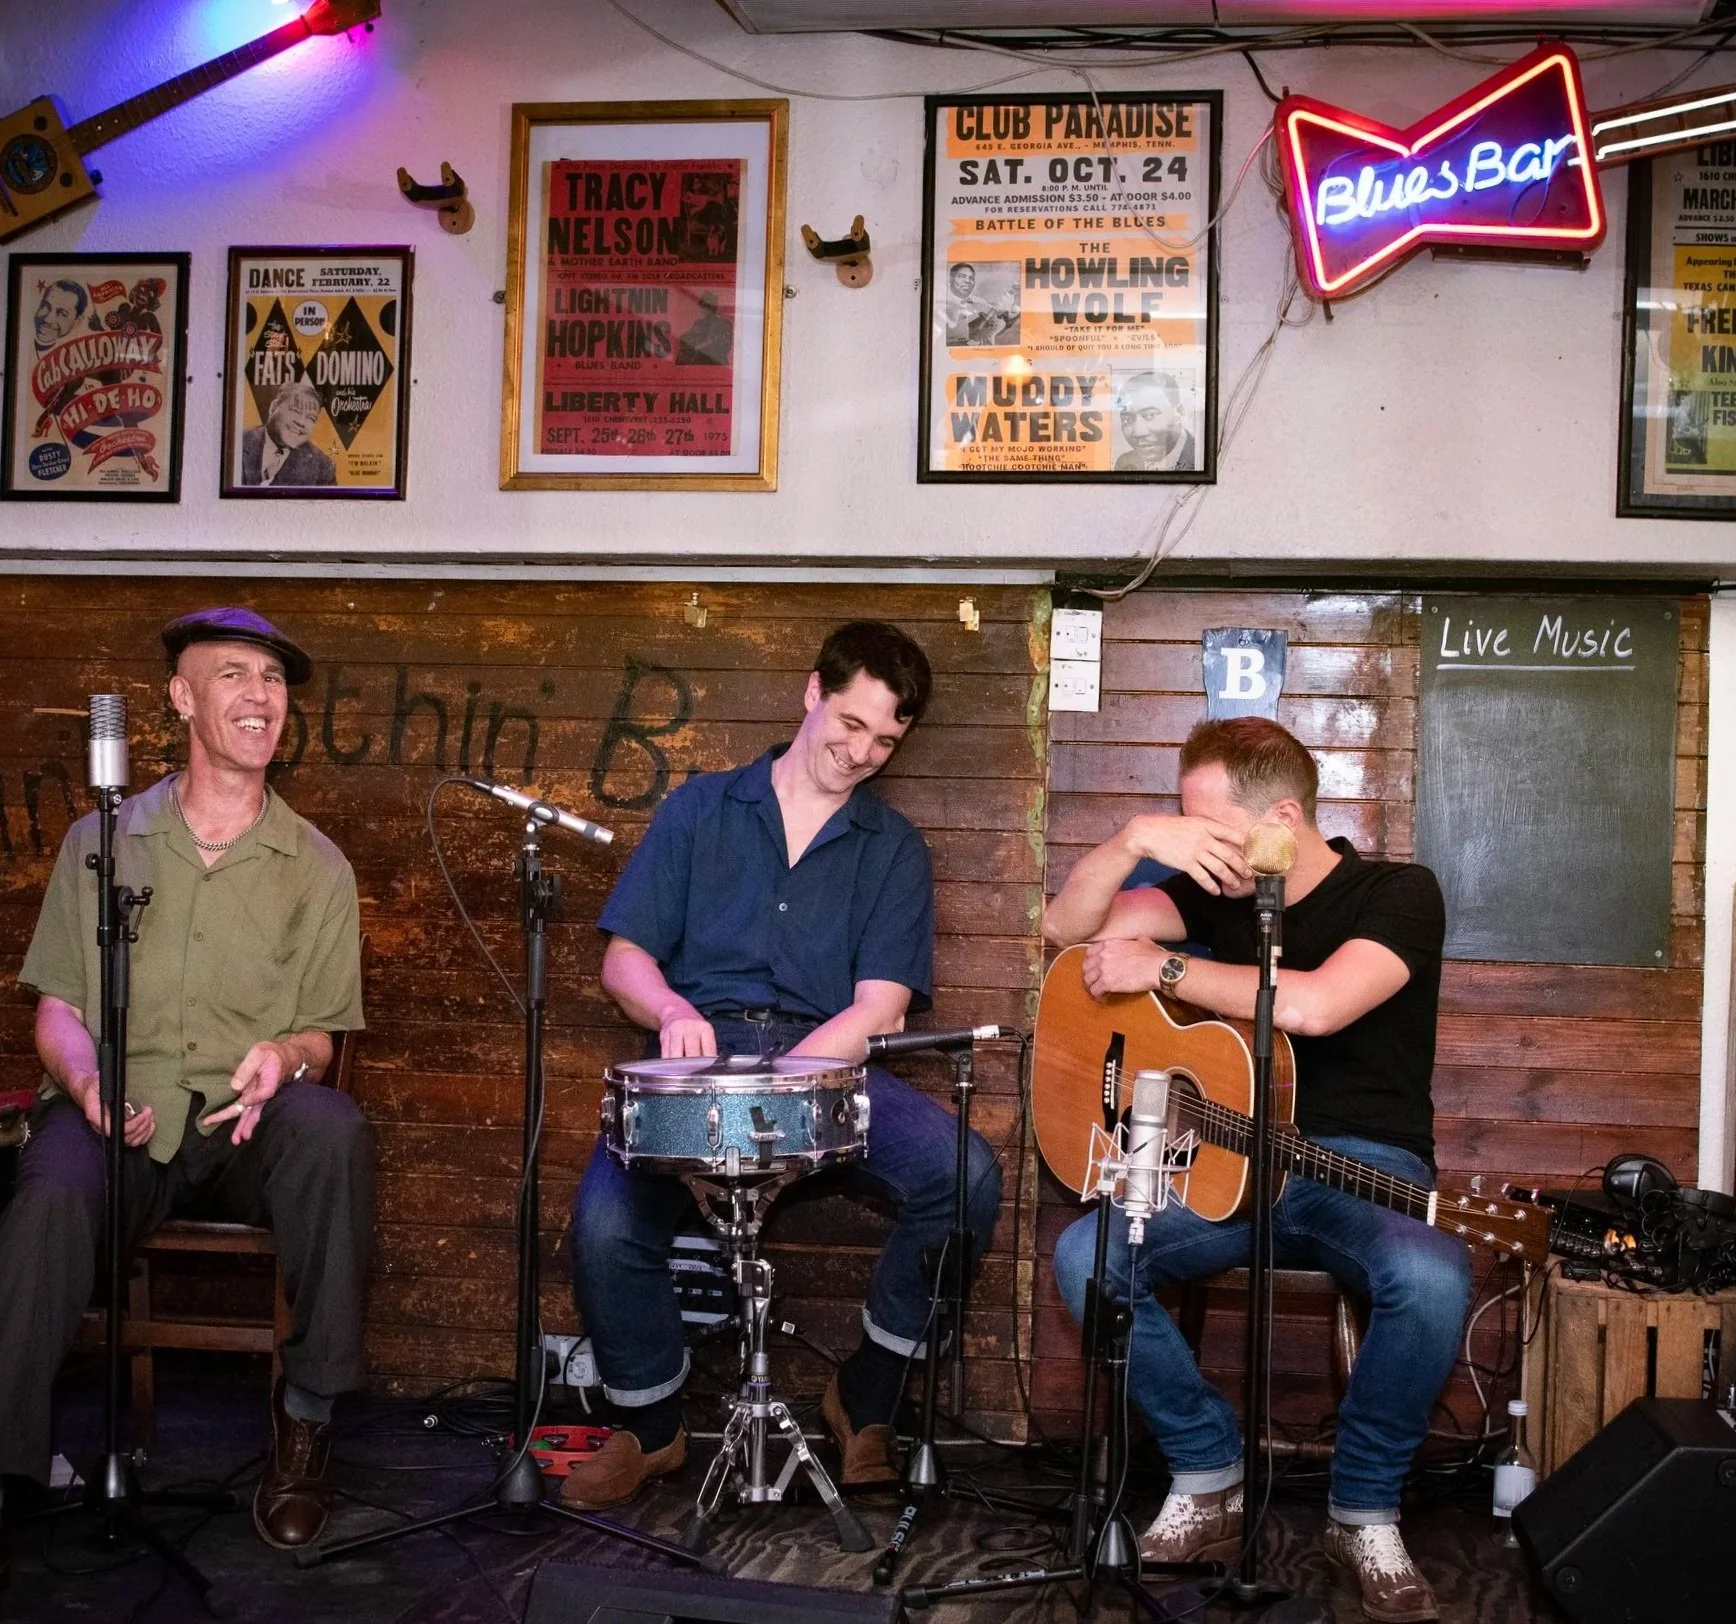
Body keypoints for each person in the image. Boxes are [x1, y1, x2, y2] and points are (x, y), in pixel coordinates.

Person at [0, 609, 371, 1623]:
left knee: (334, 1129)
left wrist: (284, 1060)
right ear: (180, 697)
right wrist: (84, 1086)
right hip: (116, 1109)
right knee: (47, 1197)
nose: (260, 696)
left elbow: (321, 1038)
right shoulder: (104, 840)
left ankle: (306, 1425)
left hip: (246, 1122)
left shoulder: (317, 865)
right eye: (235, 674)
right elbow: (58, 1010)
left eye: (273, 680)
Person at [562, 622, 1003, 1510]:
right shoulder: (700, 810)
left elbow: (880, 1009)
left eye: (885, 741)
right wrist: (674, 1011)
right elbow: (624, 961)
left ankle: (867, 1395)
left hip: (824, 1061)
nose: (862, 753)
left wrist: (779, 1091)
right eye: (851, 723)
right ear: (812, 692)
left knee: (966, 1178)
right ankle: (651, 1428)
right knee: (604, 1225)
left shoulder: (893, 847)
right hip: (699, 1059)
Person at [1040, 717, 1463, 1624]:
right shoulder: (1207, 890)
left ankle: (1362, 1513)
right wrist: (1136, 840)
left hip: (1358, 1168)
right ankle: (1208, 1473)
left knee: (1432, 1277)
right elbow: (1066, 929)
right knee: (1086, 1256)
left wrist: (1165, 968)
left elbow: (1314, 1007)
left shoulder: (1399, 893)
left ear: (1281, 819)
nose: (1193, 843)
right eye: (1182, 825)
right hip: (1227, 1160)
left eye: (1208, 825)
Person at [239, 376, 336, 487]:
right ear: (274, 407)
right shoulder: (237, 441)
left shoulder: (322, 467)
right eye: (295, 410)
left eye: (311, 418)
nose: (301, 422)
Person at [1112, 372, 1198, 472]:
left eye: (1150, 415)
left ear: (1179, 412)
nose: (1138, 432)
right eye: (1128, 420)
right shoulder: (1125, 463)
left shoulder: (1202, 457)